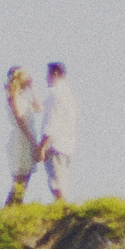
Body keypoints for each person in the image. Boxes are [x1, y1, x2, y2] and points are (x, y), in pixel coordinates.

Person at [3, 66, 43, 206]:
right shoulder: (13, 97)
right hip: (21, 139)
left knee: (25, 178)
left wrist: (32, 89)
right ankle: (11, 207)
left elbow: (39, 107)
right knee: (20, 179)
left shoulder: (23, 97)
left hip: (27, 137)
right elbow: (20, 119)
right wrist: (33, 141)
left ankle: (16, 206)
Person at [39, 61, 77, 202]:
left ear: (54, 74)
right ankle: (62, 208)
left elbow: (51, 122)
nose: (46, 78)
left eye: (47, 75)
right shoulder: (69, 93)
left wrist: (42, 146)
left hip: (55, 144)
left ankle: (63, 211)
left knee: (56, 184)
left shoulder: (55, 93)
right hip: (68, 143)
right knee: (61, 180)